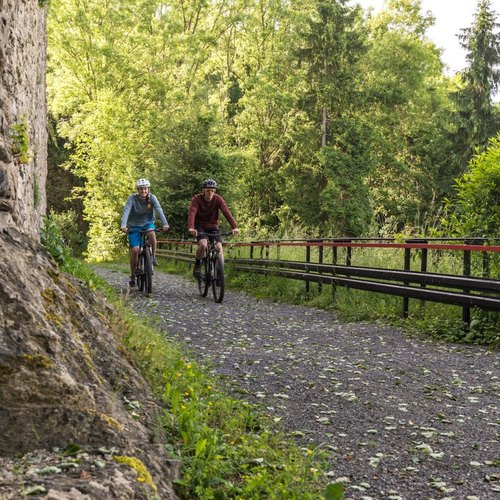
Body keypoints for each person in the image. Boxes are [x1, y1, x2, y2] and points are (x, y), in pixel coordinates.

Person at [121, 178, 169, 287]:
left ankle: (153, 257)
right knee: (135, 250)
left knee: (151, 233)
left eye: (145, 189)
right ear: (138, 190)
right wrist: (123, 225)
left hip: (147, 223)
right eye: (141, 189)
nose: (143, 191)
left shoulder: (152, 198)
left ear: (148, 189)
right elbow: (126, 211)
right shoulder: (132, 199)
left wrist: (165, 224)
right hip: (133, 226)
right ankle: (133, 275)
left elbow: (159, 209)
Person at [187, 178, 239, 278]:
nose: (210, 193)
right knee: (203, 244)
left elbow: (226, 212)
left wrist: (234, 227)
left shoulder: (218, 199)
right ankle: (197, 265)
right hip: (200, 226)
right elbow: (192, 212)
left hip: (213, 227)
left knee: (219, 247)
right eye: (207, 190)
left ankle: (220, 273)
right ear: (203, 190)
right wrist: (191, 227)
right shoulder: (197, 199)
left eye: (212, 191)